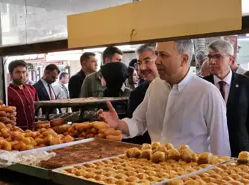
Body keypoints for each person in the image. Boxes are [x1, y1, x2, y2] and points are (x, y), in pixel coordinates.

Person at [98, 40, 231, 155]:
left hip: (191, 175)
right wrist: (119, 124)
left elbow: (220, 147)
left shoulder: (207, 93)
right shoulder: (156, 86)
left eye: (163, 55)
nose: (157, 61)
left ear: (184, 59)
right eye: (157, 54)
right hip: (156, 169)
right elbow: (138, 122)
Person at [203, 40, 249, 158]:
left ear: (231, 59)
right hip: (210, 152)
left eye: (218, 57)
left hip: (240, 152)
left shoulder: (247, 85)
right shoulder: (202, 85)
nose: (212, 61)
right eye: (210, 57)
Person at [124, 44, 159, 145]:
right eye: (139, 63)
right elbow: (136, 125)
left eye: (147, 61)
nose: (142, 68)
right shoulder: (136, 94)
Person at [7, 60, 39, 130]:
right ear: (11, 74)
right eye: (18, 72)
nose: (21, 75)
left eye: (24, 72)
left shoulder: (31, 89)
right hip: (16, 132)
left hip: (35, 130)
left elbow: (38, 106)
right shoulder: (7, 92)